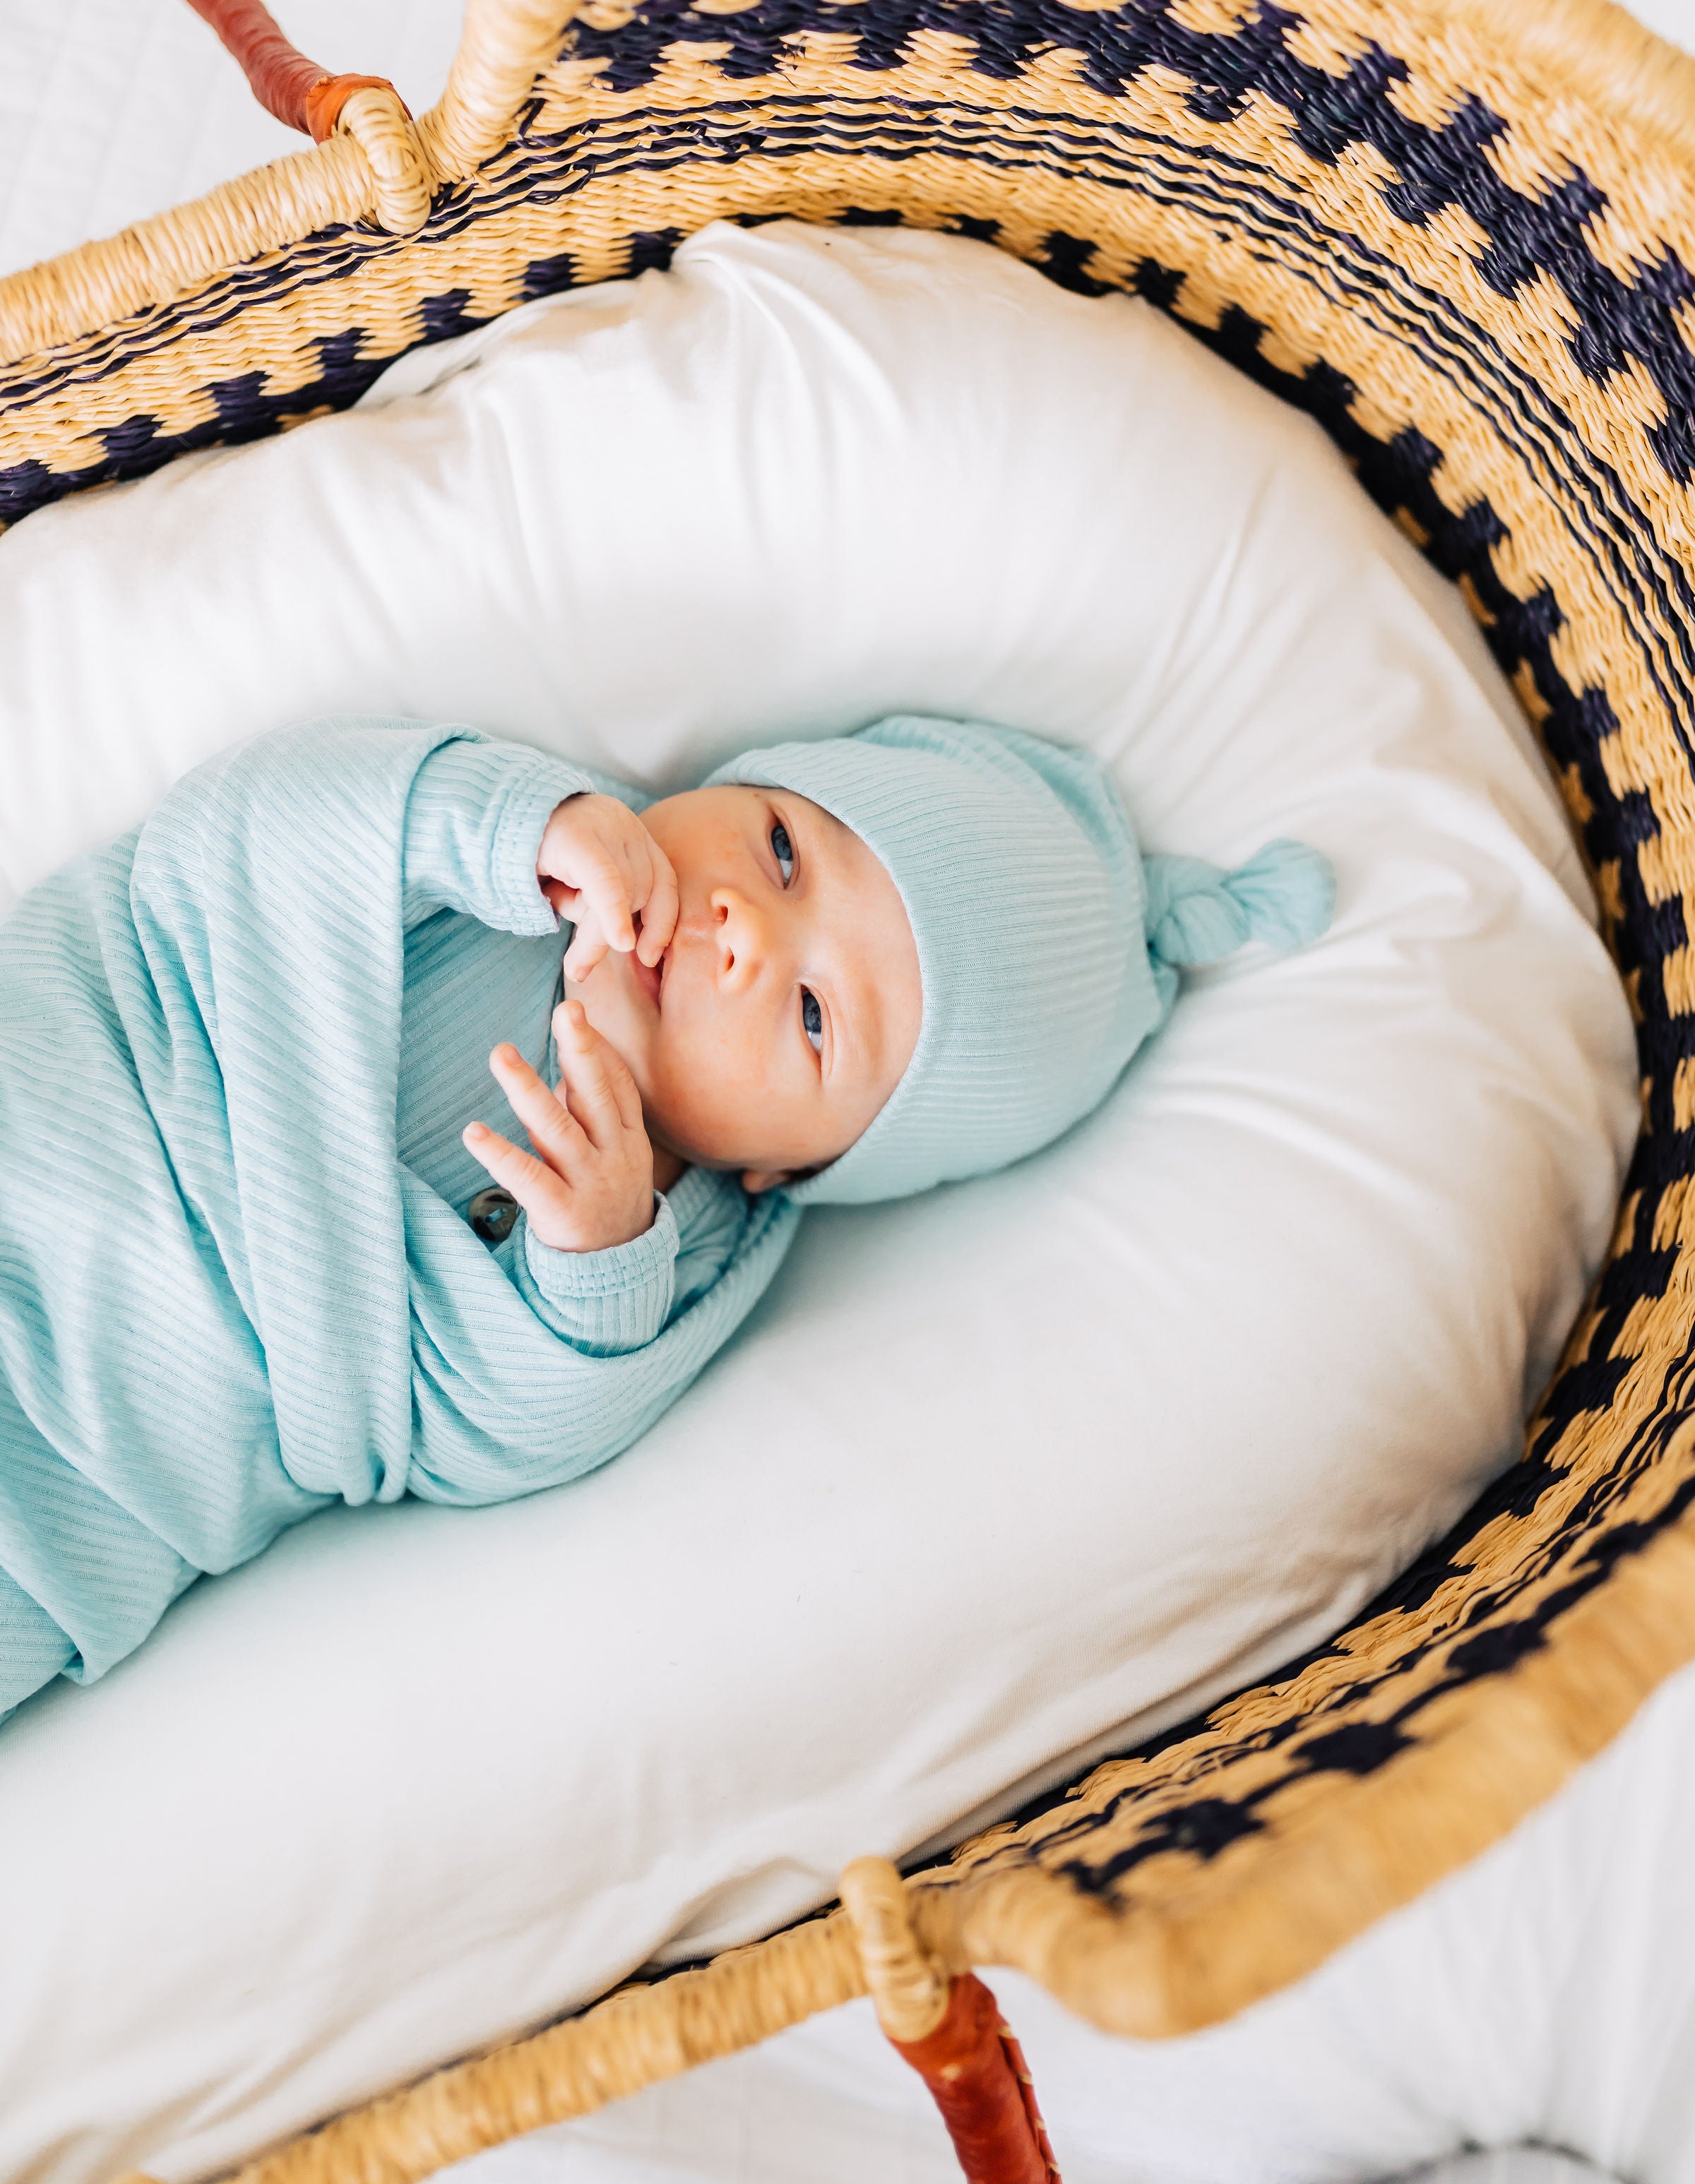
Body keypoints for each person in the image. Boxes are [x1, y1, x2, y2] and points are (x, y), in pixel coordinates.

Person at [0, 714, 1331, 1725]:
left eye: (814, 1018)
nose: (747, 925)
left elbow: (489, 1438)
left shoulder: (681, 1237)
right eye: (784, 847)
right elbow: (246, 837)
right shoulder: (515, 869)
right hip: (77, 1100)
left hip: (96, 1470)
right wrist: (507, 819)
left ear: (790, 1171)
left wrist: (591, 1254)